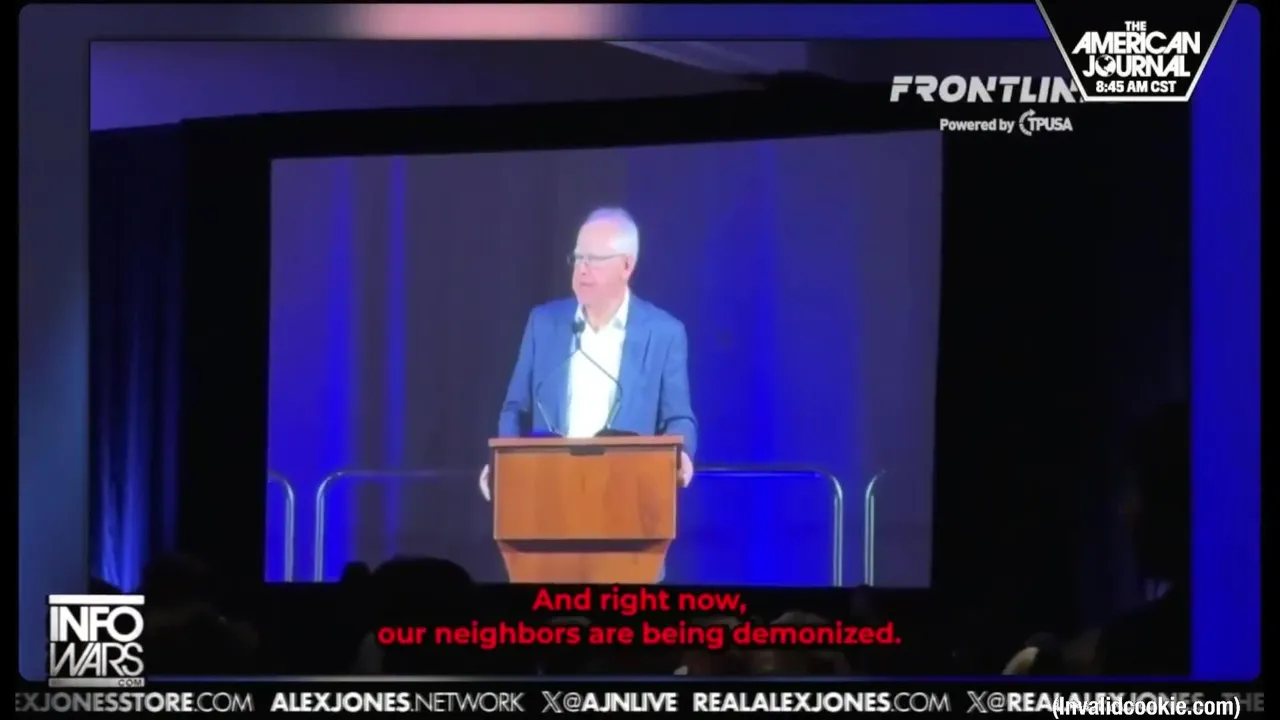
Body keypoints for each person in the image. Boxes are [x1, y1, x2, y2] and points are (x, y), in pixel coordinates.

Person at [478, 208, 699, 576]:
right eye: (577, 258)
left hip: (626, 511)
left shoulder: (664, 332)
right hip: (546, 509)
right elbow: (515, 408)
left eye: (594, 259)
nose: (581, 270)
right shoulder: (544, 323)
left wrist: (683, 456)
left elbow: (679, 418)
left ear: (626, 266)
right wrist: (504, 465)